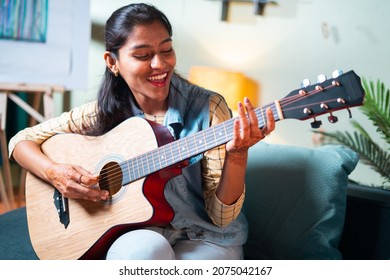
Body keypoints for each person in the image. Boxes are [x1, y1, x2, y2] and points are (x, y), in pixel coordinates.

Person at [8, 3, 275, 260]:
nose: (160, 65)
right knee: (139, 256)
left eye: (167, 50)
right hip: (141, 230)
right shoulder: (102, 110)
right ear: (113, 62)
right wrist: (54, 173)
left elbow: (221, 217)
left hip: (206, 235)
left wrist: (237, 154)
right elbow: (21, 141)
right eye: (143, 55)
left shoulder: (209, 107)